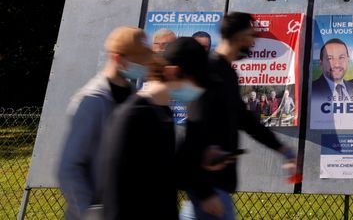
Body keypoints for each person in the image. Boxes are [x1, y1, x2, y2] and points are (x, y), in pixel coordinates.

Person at [181, 12, 296, 220]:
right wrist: (204, 192)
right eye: (251, 35)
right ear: (240, 35)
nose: (253, 42)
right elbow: (194, 131)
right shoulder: (209, 71)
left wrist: (282, 148)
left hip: (217, 187)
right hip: (209, 188)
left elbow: (244, 118)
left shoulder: (227, 73)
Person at [101, 37, 208, 220]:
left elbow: (167, 176)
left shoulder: (163, 113)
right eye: (197, 81)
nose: (199, 90)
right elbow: (115, 193)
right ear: (172, 72)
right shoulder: (132, 115)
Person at [58, 26, 152, 220]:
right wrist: (90, 212)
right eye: (138, 61)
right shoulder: (92, 101)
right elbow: (70, 167)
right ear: (118, 58)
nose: (143, 66)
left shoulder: (134, 98)